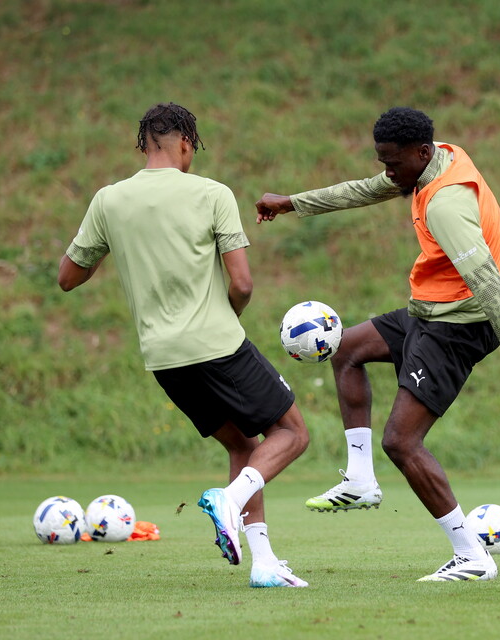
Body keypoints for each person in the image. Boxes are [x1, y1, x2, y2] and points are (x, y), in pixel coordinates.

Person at [255, 106, 500, 581]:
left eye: (392, 163)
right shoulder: (436, 159)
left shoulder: (446, 205)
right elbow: (363, 189)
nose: (387, 172)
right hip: (429, 310)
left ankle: (472, 556)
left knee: (401, 441)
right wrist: (291, 203)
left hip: (457, 327)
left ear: (420, 152)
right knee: (347, 350)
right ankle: (360, 479)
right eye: (383, 161)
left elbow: (493, 289)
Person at [58, 102, 310, 588]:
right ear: (187, 144)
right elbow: (243, 284)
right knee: (292, 433)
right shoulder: (212, 193)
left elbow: (68, 277)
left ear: (144, 146)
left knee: (243, 445)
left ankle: (263, 563)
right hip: (217, 344)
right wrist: (227, 317)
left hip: (163, 358)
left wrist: (116, 243)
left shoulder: (108, 201)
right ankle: (228, 501)